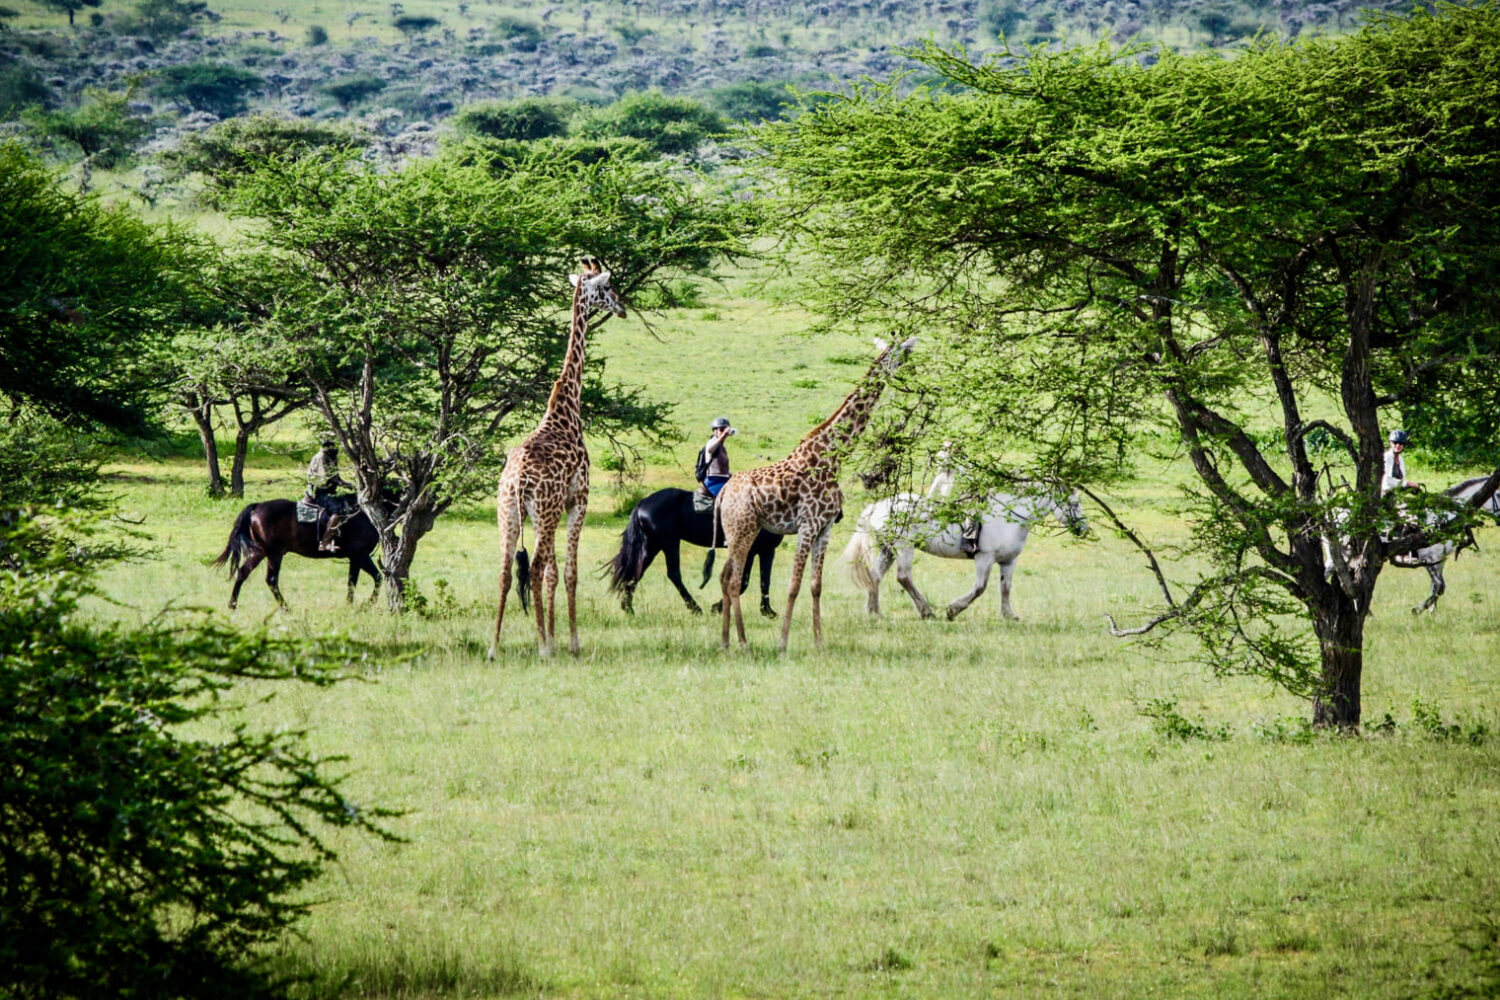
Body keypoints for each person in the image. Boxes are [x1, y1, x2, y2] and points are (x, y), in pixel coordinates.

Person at [306, 437, 349, 552]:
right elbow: (327, 478)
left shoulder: (331, 457)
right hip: (320, 491)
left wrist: (347, 484)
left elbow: (336, 476)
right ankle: (325, 542)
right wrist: (344, 484)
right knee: (337, 511)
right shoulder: (322, 457)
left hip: (330, 490)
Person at [698, 417, 735, 499]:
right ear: (715, 431)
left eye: (725, 430)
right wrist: (723, 435)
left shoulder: (722, 447)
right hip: (714, 480)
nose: (724, 433)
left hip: (724, 479)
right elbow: (710, 449)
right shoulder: (712, 442)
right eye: (721, 430)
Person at [1381, 429, 1421, 494]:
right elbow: (1386, 480)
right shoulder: (1386, 457)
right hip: (1386, 492)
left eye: (1401, 443)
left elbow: (1402, 479)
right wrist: (1407, 484)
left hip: (1397, 491)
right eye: (1395, 443)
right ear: (1390, 443)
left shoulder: (1401, 459)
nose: (1398, 446)